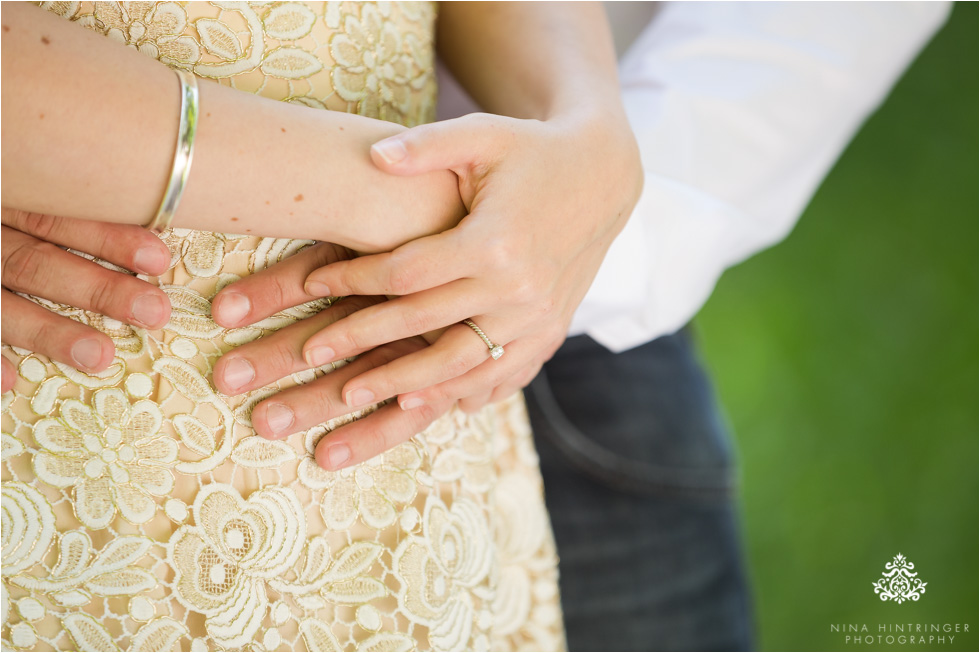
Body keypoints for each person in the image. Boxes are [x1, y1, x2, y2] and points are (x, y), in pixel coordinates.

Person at [0, 3, 643, 650]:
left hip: (416, 477)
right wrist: (399, 198)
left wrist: (588, 133)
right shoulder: (428, 211)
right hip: (74, 428)